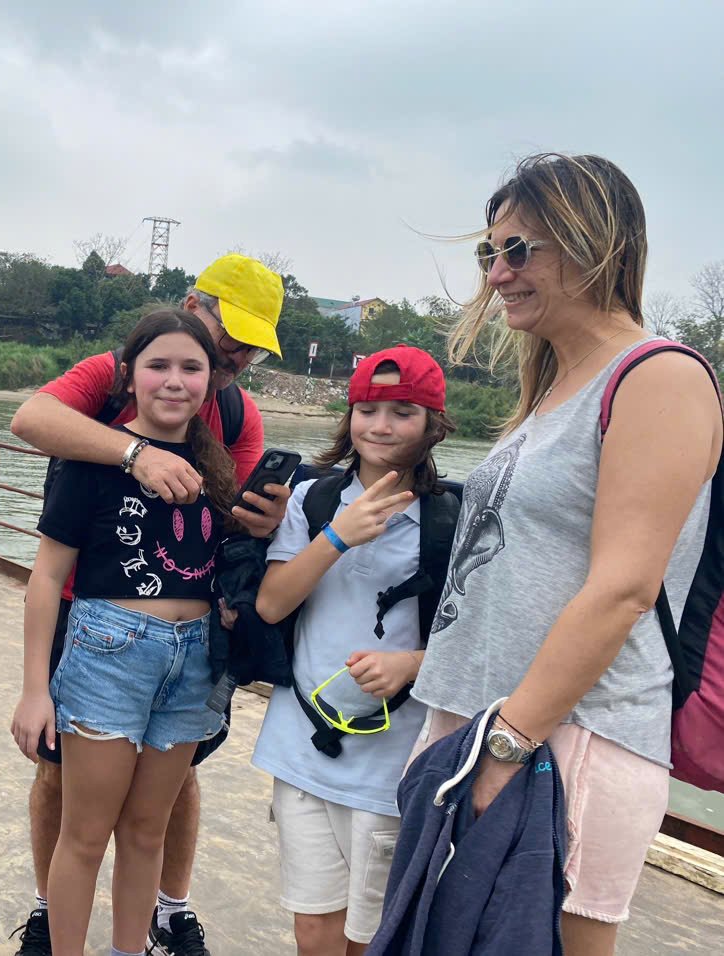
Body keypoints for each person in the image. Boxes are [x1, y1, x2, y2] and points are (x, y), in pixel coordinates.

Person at [409, 153, 721, 956]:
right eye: (490, 253)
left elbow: (624, 588)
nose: (497, 274)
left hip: (563, 741)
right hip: (484, 724)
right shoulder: (553, 386)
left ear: (594, 246)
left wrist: (506, 745)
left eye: (518, 250)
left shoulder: (659, 377)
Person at [7, 253, 290, 956]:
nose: (232, 358)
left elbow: (227, 530)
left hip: (188, 646)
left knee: (157, 809)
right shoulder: (105, 382)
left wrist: (264, 527)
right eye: (230, 338)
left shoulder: (234, 414)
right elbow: (31, 418)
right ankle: (51, 917)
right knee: (66, 790)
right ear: (195, 306)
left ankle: (165, 913)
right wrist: (135, 455)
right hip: (96, 623)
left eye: (248, 350)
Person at [251, 346, 456, 956]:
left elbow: (483, 637)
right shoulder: (312, 500)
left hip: (392, 764)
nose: (381, 426)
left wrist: (412, 664)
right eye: (367, 410)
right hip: (300, 744)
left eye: (403, 412)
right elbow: (271, 604)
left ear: (433, 424)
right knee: (312, 927)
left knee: (371, 936)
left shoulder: (455, 518)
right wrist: (337, 537)